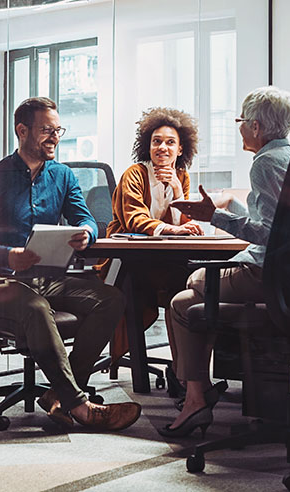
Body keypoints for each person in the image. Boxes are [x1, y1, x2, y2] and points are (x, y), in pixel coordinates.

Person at [0, 97, 142, 431]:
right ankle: (81, 407)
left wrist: (86, 233)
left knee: (111, 299)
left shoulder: (63, 176)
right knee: (36, 307)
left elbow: (85, 219)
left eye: (58, 130)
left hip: (47, 278)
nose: (55, 137)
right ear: (22, 131)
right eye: (46, 130)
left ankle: (59, 394)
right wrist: (7, 254)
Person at [162, 86, 290, 437]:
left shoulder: (264, 162)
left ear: (255, 126)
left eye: (239, 121)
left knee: (194, 284)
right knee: (184, 304)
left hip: (268, 276)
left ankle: (196, 398)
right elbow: (280, 223)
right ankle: (194, 398)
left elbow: (267, 234)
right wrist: (224, 208)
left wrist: (213, 218)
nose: (238, 128)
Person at [99, 107, 202, 397]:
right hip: (126, 262)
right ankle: (179, 375)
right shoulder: (134, 174)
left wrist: (178, 194)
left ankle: (183, 372)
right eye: (157, 141)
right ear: (148, 145)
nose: (162, 147)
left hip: (160, 260)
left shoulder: (181, 176)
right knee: (173, 286)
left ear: (181, 148)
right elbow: (134, 219)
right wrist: (172, 230)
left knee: (184, 289)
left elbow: (184, 220)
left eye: (170, 142)